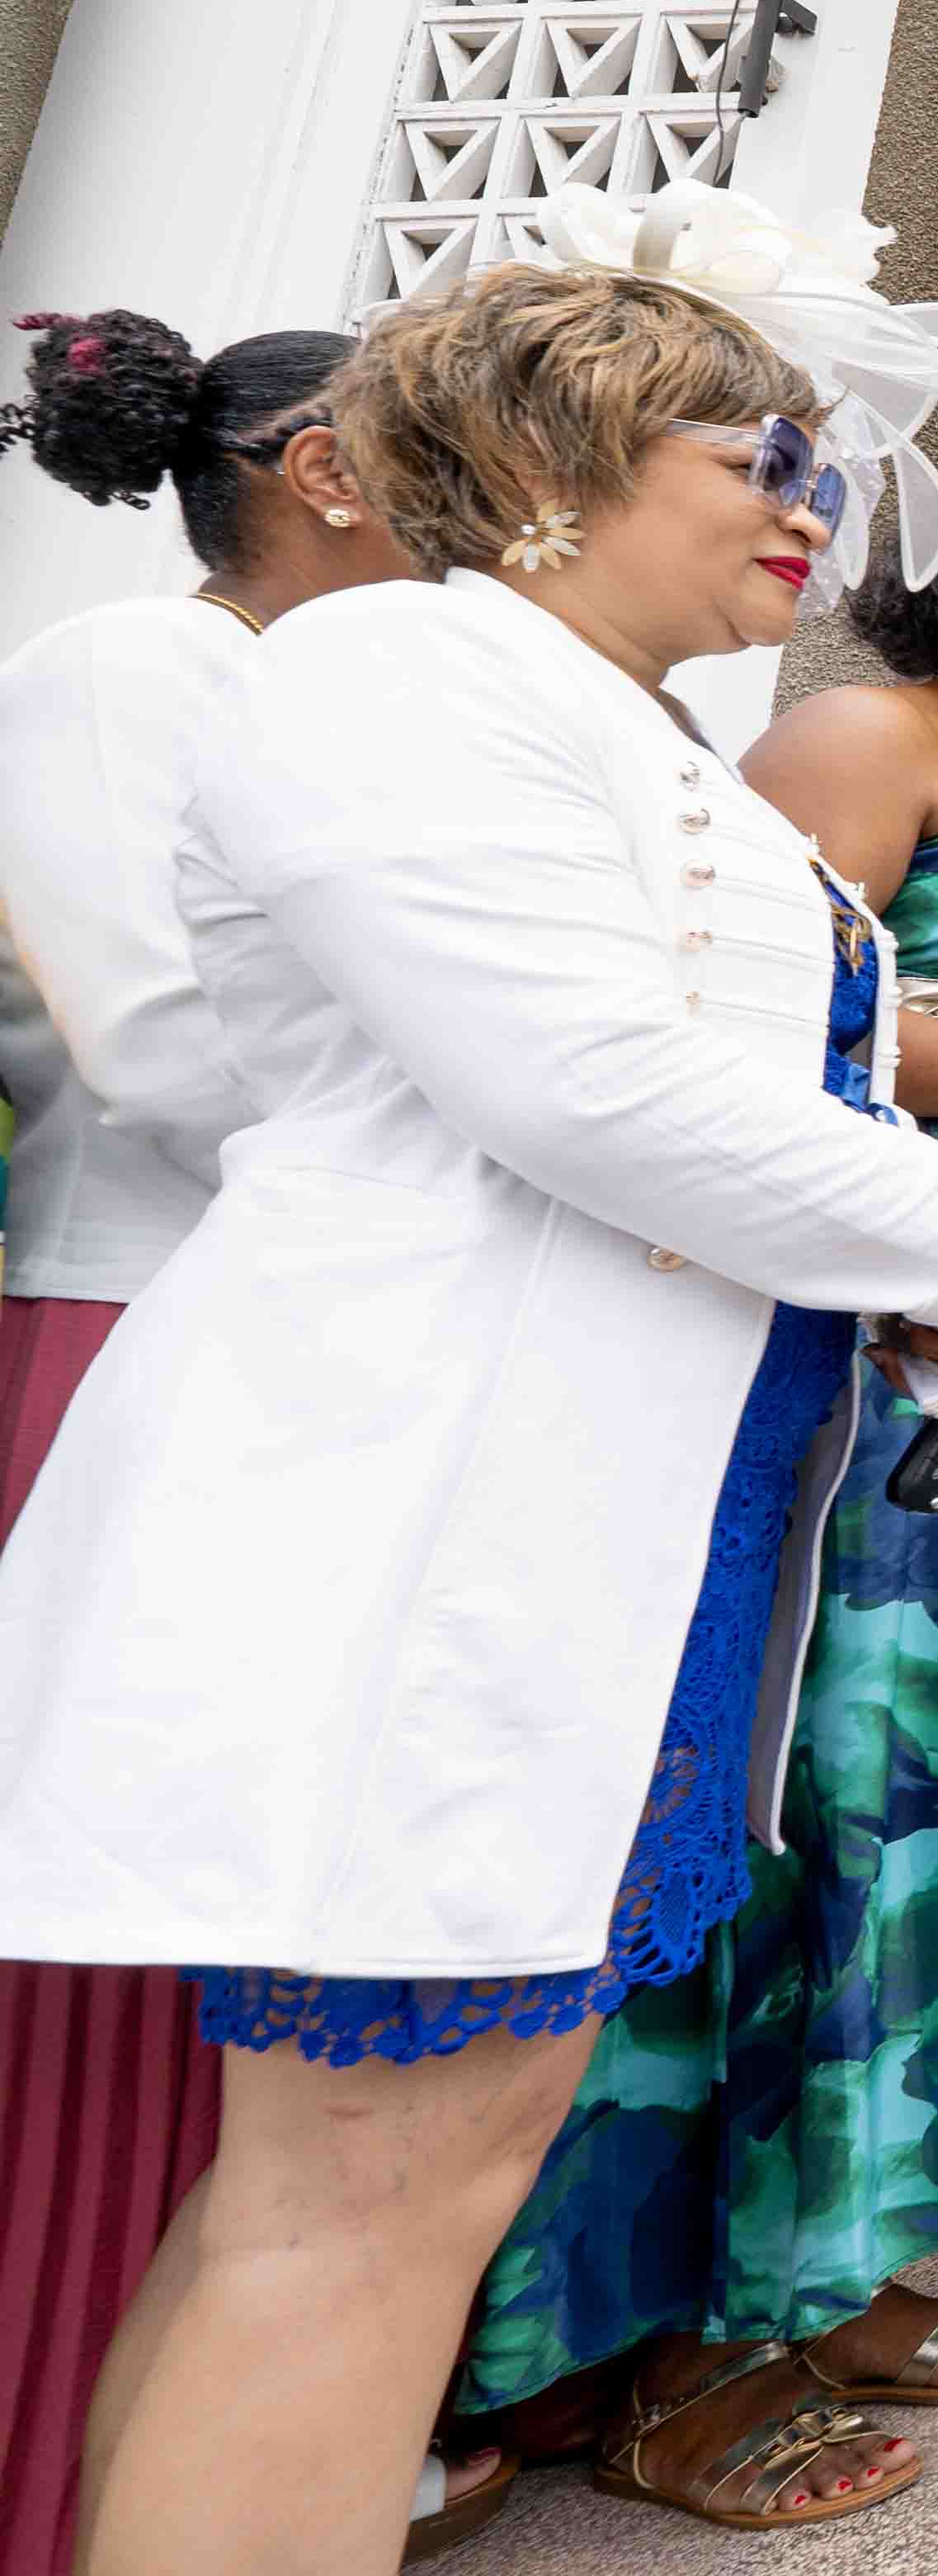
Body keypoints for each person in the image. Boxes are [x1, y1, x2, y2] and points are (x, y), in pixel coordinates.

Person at [0, 256, 938, 2564]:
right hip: (426, 1504)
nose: (817, 507)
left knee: (407, 2181)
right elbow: (572, 1081)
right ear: (554, 459)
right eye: (758, 457)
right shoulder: (405, 669)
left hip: (593, 1508)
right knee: (362, 2197)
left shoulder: (595, 725)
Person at [456, 454, 938, 2505]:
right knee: (850, 1770)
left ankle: (849, 2250)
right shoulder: (859, 733)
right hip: (900, 1314)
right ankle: (675, 2327)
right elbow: (753, 1025)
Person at [0, 309, 432, 2575]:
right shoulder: (119, 681)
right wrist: (507, 1101)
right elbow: (159, 1050)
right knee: (118, 1921)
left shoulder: (360, 707)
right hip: (132, 1325)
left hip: (318, 1334)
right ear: (321, 469)